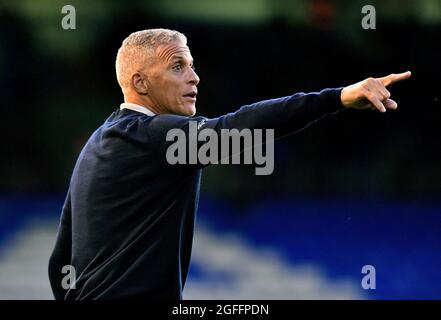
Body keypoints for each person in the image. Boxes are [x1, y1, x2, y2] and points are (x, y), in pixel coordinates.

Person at [48, 28, 411, 299]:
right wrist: (338, 97)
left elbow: (61, 258)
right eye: (178, 66)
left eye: (192, 66)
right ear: (140, 82)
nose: (194, 76)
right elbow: (238, 127)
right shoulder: (152, 137)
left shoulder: (99, 142)